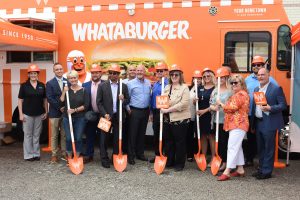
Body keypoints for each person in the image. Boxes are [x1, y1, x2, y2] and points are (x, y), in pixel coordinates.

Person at [251, 68, 287, 180]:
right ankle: (261, 169)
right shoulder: (257, 88)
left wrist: (270, 108)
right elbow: (255, 107)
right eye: (259, 75)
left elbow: (283, 105)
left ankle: (266, 172)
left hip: (269, 122)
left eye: (263, 75)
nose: (260, 77)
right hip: (258, 121)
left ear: (268, 75)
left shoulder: (276, 88)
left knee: (268, 148)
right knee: (260, 148)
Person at [244, 55, 278, 167]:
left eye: (259, 65)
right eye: (254, 65)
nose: (256, 67)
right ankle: (249, 159)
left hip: (266, 114)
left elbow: (276, 95)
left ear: (264, 66)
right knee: (251, 138)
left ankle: (263, 164)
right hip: (251, 113)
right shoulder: (247, 80)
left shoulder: (271, 80)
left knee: (265, 141)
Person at [216, 74, 249, 181]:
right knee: (237, 147)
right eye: (232, 83)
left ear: (242, 84)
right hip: (236, 124)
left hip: (238, 124)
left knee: (232, 147)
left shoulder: (240, 95)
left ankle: (227, 171)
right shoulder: (238, 94)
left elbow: (232, 108)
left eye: (236, 82)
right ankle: (240, 169)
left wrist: (221, 104)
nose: (233, 84)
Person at [96, 64, 130, 168]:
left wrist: (123, 99)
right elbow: (99, 102)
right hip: (105, 117)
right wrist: (104, 113)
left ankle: (115, 157)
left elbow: (128, 100)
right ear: (108, 74)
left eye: (115, 73)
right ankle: (104, 158)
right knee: (103, 139)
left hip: (118, 116)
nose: (112, 75)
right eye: (110, 73)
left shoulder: (123, 86)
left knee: (117, 138)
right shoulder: (102, 86)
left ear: (118, 74)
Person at [161, 64, 191, 171]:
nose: (174, 76)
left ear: (180, 75)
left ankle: (179, 164)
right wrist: (161, 106)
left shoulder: (185, 87)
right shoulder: (166, 87)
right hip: (167, 120)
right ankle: (170, 161)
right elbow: (163, 101)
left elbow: (184, 104)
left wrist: (168, 109)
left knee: (180, 143)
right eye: (172, 74)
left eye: (176, 74)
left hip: (180, 120)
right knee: (169, 142)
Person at [18, 64, 48, 161]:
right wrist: (21, 114)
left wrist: (46, 112)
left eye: (35, 73)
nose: (33, 75)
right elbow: (20, 100)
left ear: (37, 74)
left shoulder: (42, 85)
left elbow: (45, 100)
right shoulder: (24, 86)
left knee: (36, 135)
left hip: (39, 114)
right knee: (28, 135)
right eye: (31, 73)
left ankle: (36, 154)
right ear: (29, 74)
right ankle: (28, 155)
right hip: (27, 114)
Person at [60, 70, 89, 159]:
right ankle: (69, 156)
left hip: (80, 118)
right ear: (68, 80)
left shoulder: (84, 90)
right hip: (67, 118)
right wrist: (64, 91)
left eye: (74, 77)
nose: (73, 80)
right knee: (68, 138)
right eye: (70, 78)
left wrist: (74, 110)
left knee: (78, 137)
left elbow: (86, 105)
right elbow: (61, 100)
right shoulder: (67, 90)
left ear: (77, 78)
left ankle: (77, 155)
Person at [127, 64, 151, 165]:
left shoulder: (148, 82)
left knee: (142, 133)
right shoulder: (130, 83)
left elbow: (150, 96)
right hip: (134, 111)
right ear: (135, 72)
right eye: (138, 71)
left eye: (141, 71)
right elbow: (126, 97)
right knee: (133, 134)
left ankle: (140, 154)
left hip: (145, 111)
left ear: (144, 72)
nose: (139, 72)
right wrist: (128, 109)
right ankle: (131, 156)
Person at [209, 67, 232, 171]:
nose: (221, 79)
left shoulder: (231, 90)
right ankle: (222, 160)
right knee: (220, 142)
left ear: (227, 78)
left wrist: (222, 106)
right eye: (219, 78)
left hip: (227, 121)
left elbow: (232, 106)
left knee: (226, 142)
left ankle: (227, 162)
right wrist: (215, 107)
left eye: (223, 77)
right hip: (217, 121)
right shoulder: (215, 90)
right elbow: (211, 105)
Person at [46, 63, 67, 163]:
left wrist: (65, 108)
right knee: (54, 135)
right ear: (54, 71)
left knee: (64, 134)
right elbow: (50, 99)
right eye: (57, 69)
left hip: (65, 113)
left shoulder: (68, 82)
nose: (59, 71)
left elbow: (69, 98)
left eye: (60, 69)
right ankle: (54, 154)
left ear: (63, 70)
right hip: (54, 113)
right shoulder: (50, 83)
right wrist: (60, 108)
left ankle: (64, 153)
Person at [82, 64, 103, 164]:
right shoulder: (85, 85)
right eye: (93, 72)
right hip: (90, 115)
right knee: (89, 135)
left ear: (101, 73)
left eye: (97, 72)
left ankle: (103, 156)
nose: (95, 74)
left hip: (103, 116)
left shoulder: (106, 84)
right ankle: (89, 155)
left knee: (103, 136)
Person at [149, 62, 169, 163]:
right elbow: (152, 99)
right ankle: (157, 154)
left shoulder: (168, 84)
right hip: (156, 112)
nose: (159, 73)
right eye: (158, 71)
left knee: (165, 134)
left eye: (161, 71)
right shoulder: (156, 84)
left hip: (165, 112)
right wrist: (151, 113)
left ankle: (164, 154)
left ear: (166, 72)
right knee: (156, 134)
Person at [196, 67, 215, 166]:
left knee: (211, 136)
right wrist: (195, 101)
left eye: (208, 76)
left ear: (212, 76)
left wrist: (205, 111)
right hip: (201, 115)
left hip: (210, 114)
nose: (206, 78)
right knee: (203, 136)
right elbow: (197, 99)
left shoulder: (215, 88)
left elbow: (215, 104)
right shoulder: (200, 87)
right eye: (204, 76)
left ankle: (213, 158)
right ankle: (203, 157)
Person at [187, 70, 202, 162]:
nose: (197, 80)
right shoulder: (189, 88)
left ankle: (198, 153)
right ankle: (189, 154)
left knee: (198, 136)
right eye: (195, 78)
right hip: (189, 116)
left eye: (199, 78)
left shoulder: (203, 89)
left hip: (199, 117)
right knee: (188, 136)